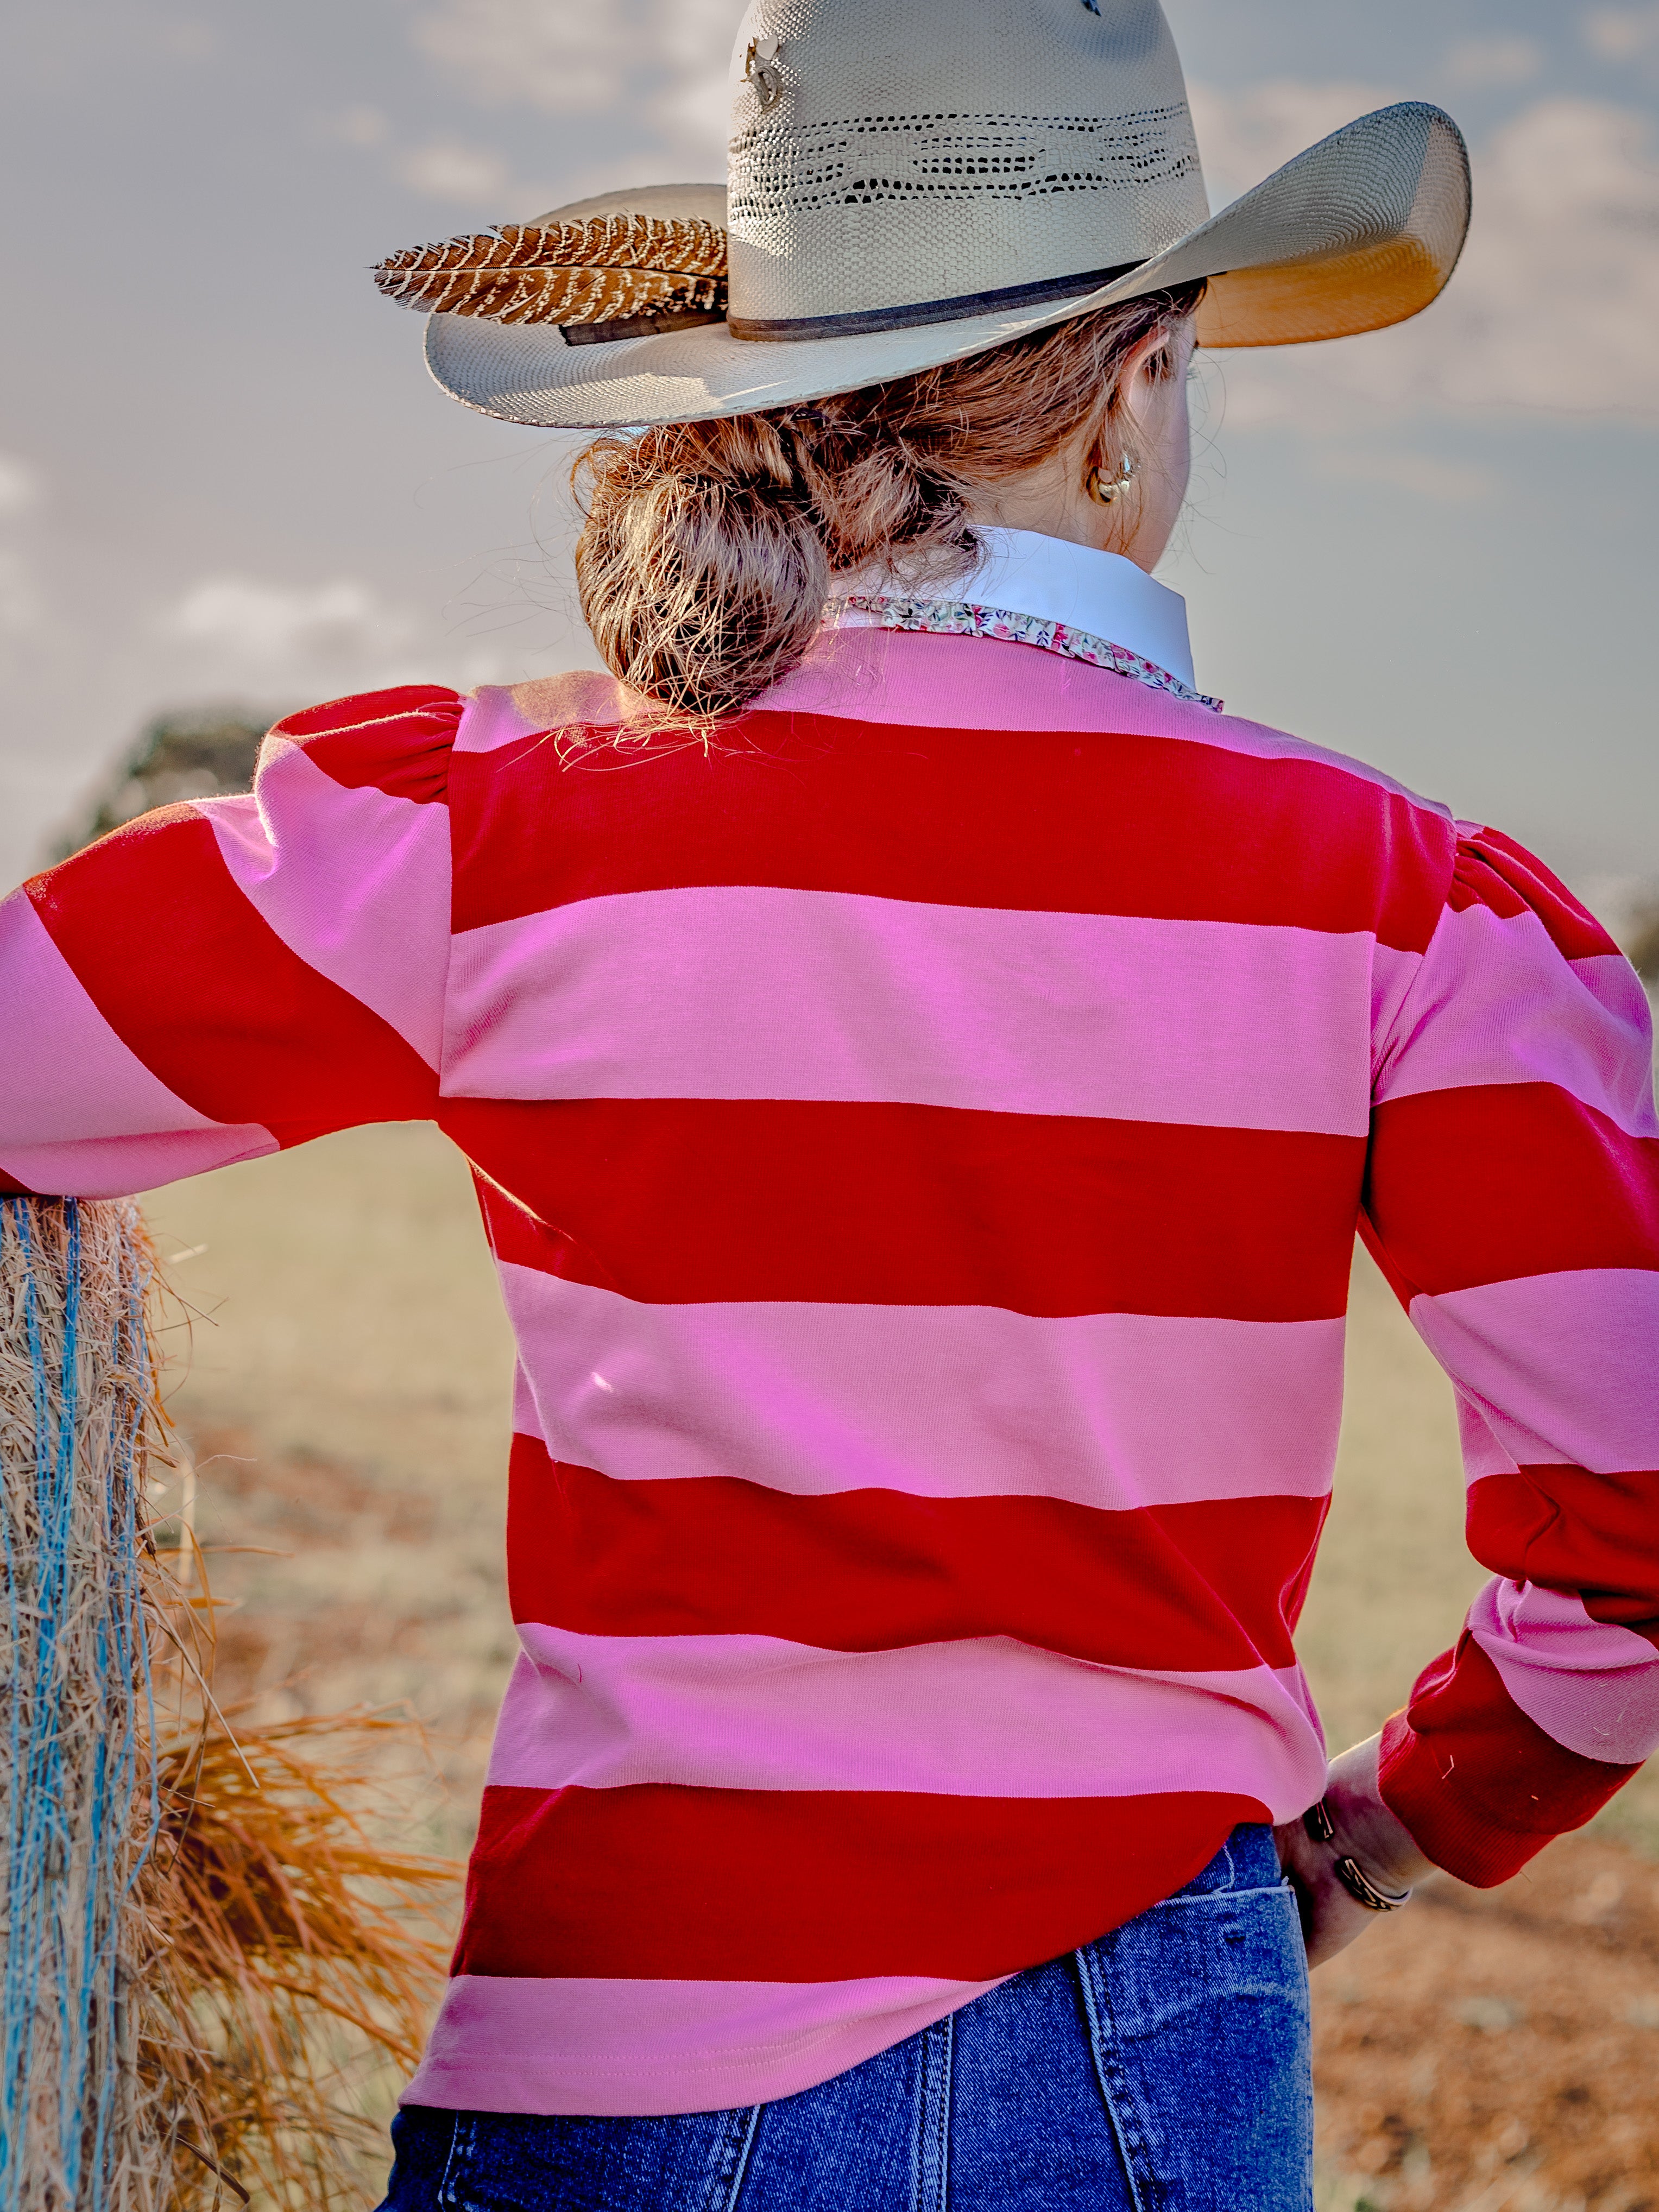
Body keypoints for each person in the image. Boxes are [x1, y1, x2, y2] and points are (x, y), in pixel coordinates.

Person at [4, 2, 1656, 2205]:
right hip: (1140, 2027)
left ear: (748, 395)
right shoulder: (1407, 905)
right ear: (1144, 382)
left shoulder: (491, 822)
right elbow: (1628, 1539)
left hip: (622, 2027)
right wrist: (1385, 1825)